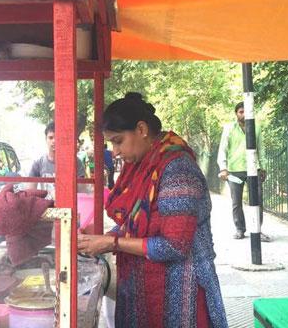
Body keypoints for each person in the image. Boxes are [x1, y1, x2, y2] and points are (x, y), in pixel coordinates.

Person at [77, 92, 228, 328]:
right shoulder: (141, 165)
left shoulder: (177, 169)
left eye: (118, 141)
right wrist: (105, 236)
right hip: (146, 291)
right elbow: (139, 221)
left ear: (141, 129)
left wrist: (111, 243)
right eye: (111, 144)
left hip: (182, 297)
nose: (114, 152)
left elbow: (175, 245)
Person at [217, 102, 270, 241]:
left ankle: (257, 230)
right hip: (234, 170)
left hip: (254, 168)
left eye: (246, 111)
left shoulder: (256, 127)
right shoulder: (229, 128)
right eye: (241, 112)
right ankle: (240, 229)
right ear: (236, 113)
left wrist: (263, 167)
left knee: (257, 200)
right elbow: (223, 149)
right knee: (236, 202)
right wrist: (223, 168)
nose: (244, 114)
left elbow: (261, 148)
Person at [27, 121, 86, 198]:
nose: (54, 141)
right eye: (50, 138)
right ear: (46, 139)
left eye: (58, 138)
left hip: (68, 207)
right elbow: (30, 192)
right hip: (46, 208)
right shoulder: (38, 163)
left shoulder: (76, 162)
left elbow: (82, 192)